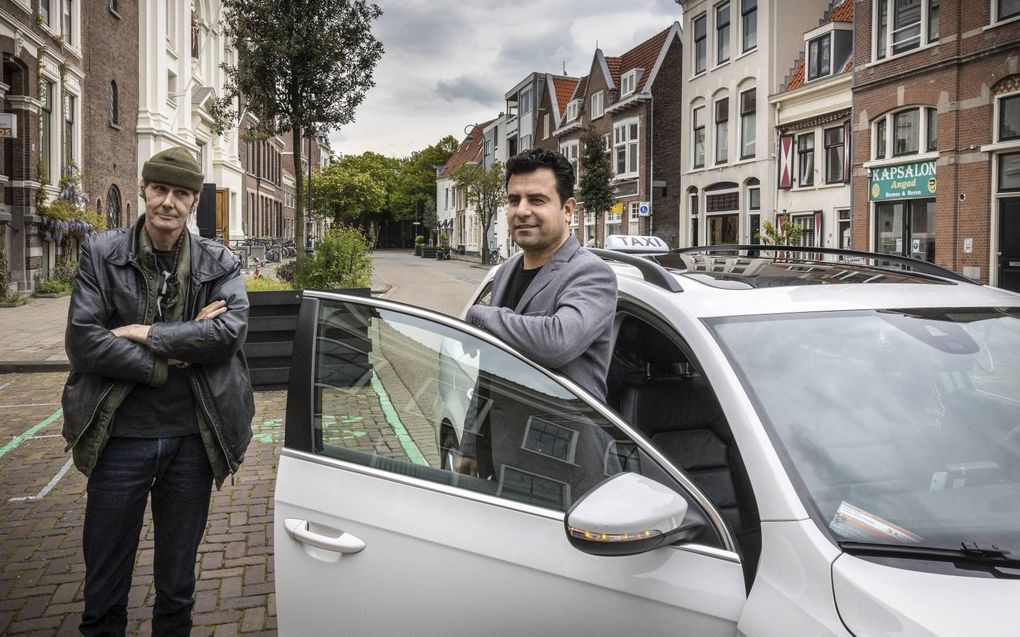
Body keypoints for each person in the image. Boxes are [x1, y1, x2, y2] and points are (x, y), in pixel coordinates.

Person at [61, 147, 255, 636]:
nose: (169, 202)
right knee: (103, 590)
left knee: (177, 588)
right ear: (144, 190)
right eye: (160, 189)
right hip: (119, 439)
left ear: (194, 202)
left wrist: (144, 334)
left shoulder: (219, 262)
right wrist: (173, 354)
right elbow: (84, 342)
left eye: (182, 193)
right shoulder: (102, 254)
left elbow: (228, 335)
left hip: (192, 442)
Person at [465, 147, 617, 400]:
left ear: (568, 210)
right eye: (514, 200)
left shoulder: (592, 273)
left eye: (536, 200)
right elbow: (489, 374)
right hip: (495, 433)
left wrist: (482, 316)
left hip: (557, 436)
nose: (522, 211)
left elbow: (558, 342)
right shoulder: (505, 271)